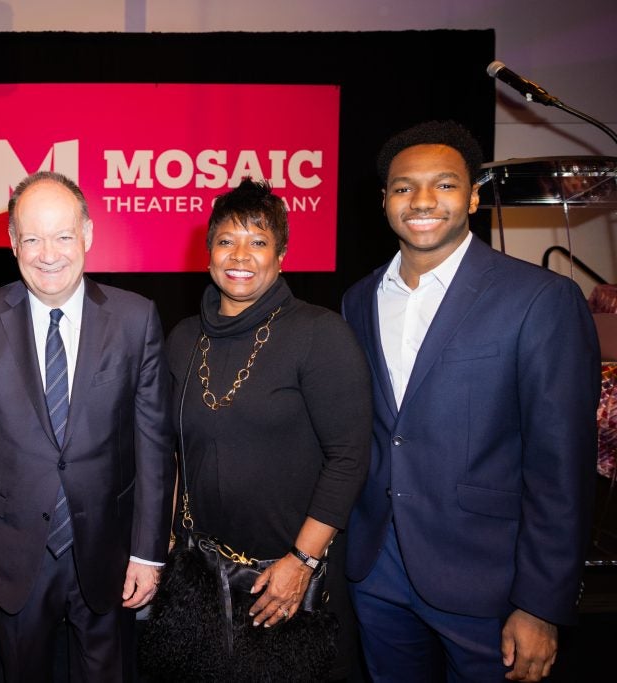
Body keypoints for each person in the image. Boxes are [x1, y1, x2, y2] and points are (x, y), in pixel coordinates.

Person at [341, 120, 601, 682]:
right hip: (376, 570)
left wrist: (541, 603)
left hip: (491, 580)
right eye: (404, 187)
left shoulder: (541, 299)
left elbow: (562, 466)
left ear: (474, 197)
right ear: (384, 200)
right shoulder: (358, 300)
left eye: (445, 184)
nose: (423, 200)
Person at [0, 171, 174, 681]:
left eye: (63, 236)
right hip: (11, 556)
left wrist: (148, 552)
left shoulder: (135, 319)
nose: (47, 253)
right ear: (12, 243)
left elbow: (153, 447)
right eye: (31, 238)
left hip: (108, 553)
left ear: (89, 235)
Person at [162, 178, 373, 680]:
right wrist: (170, 540)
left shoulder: (319, 334)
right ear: (208, 252)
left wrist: (301, 561)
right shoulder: (183, 338)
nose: (241, 255)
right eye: (226, 240)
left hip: (283, 576)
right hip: (201, 576)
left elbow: (349, 457)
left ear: (281, 254)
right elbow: (176, 452)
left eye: (258, 241)